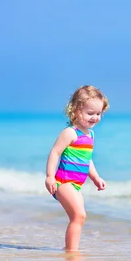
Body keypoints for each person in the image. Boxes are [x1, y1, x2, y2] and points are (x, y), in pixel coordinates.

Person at [45, 85, 109, 251]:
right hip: (63, 182)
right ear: (75, 110)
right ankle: (71, 253)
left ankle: (70, 249)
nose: (95, 117)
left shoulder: (90, 135)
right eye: (90, 113)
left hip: (76, 185)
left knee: (79, 218)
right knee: (79, 215)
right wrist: (50, 176)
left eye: (98, 113)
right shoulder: (70, 133)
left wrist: (95, 177)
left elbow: (87, 160)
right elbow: (55, 153)